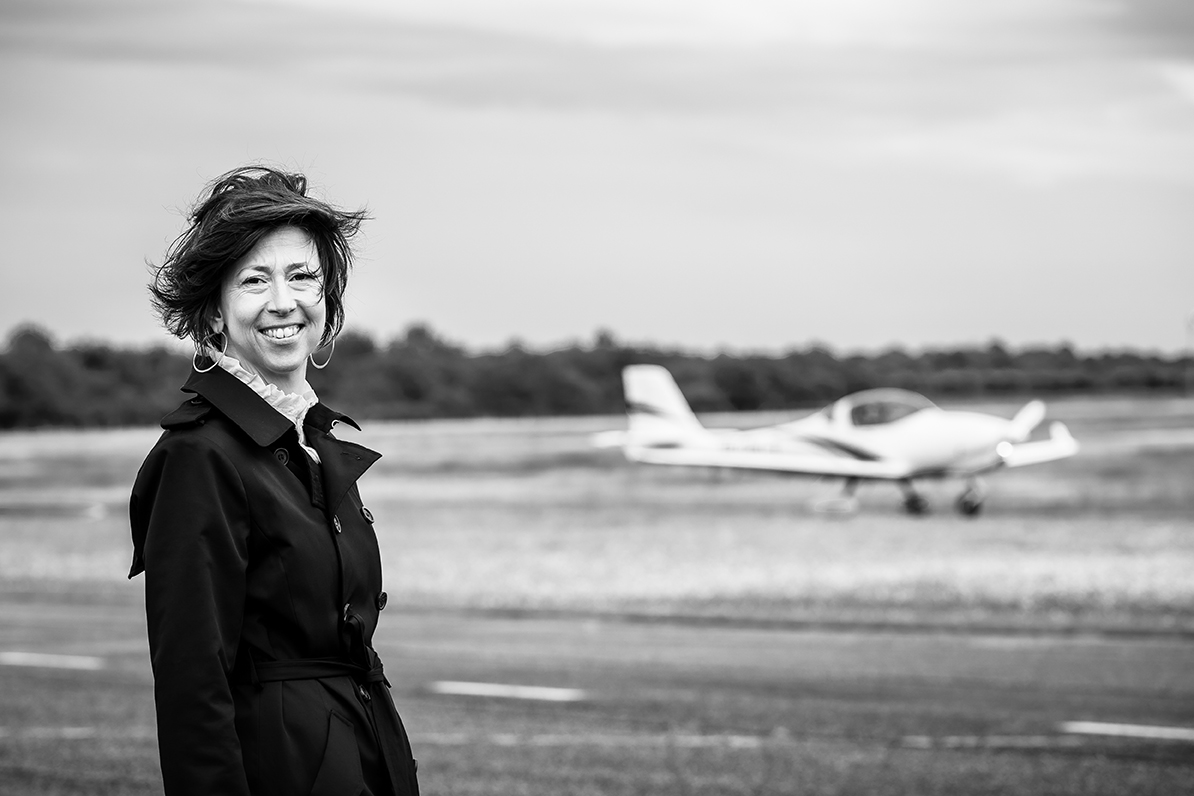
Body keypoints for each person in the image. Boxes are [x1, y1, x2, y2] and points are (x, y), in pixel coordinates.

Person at [128, 165, 419, 796]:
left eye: (302, 276)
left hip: (365, 754)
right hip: (279, 768)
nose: (283, 301)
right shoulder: (200, 457)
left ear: (327, 300)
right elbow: (191, 682)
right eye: (254, 280)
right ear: (212, 313)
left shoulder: (313, 443)